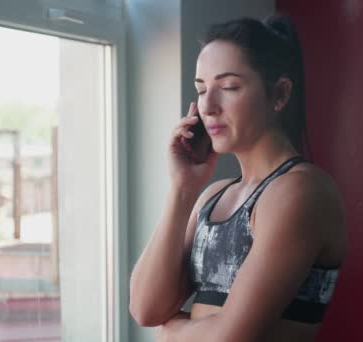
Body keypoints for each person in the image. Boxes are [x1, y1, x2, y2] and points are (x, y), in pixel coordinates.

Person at [129, 15, 347, 342]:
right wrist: (182, 189)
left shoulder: (300, 190)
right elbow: (146, 308)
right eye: (201, 90)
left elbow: (229, 337)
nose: (208, 106)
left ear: (279, 95)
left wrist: (170, 331)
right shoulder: (214, 196)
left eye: (229, 87)